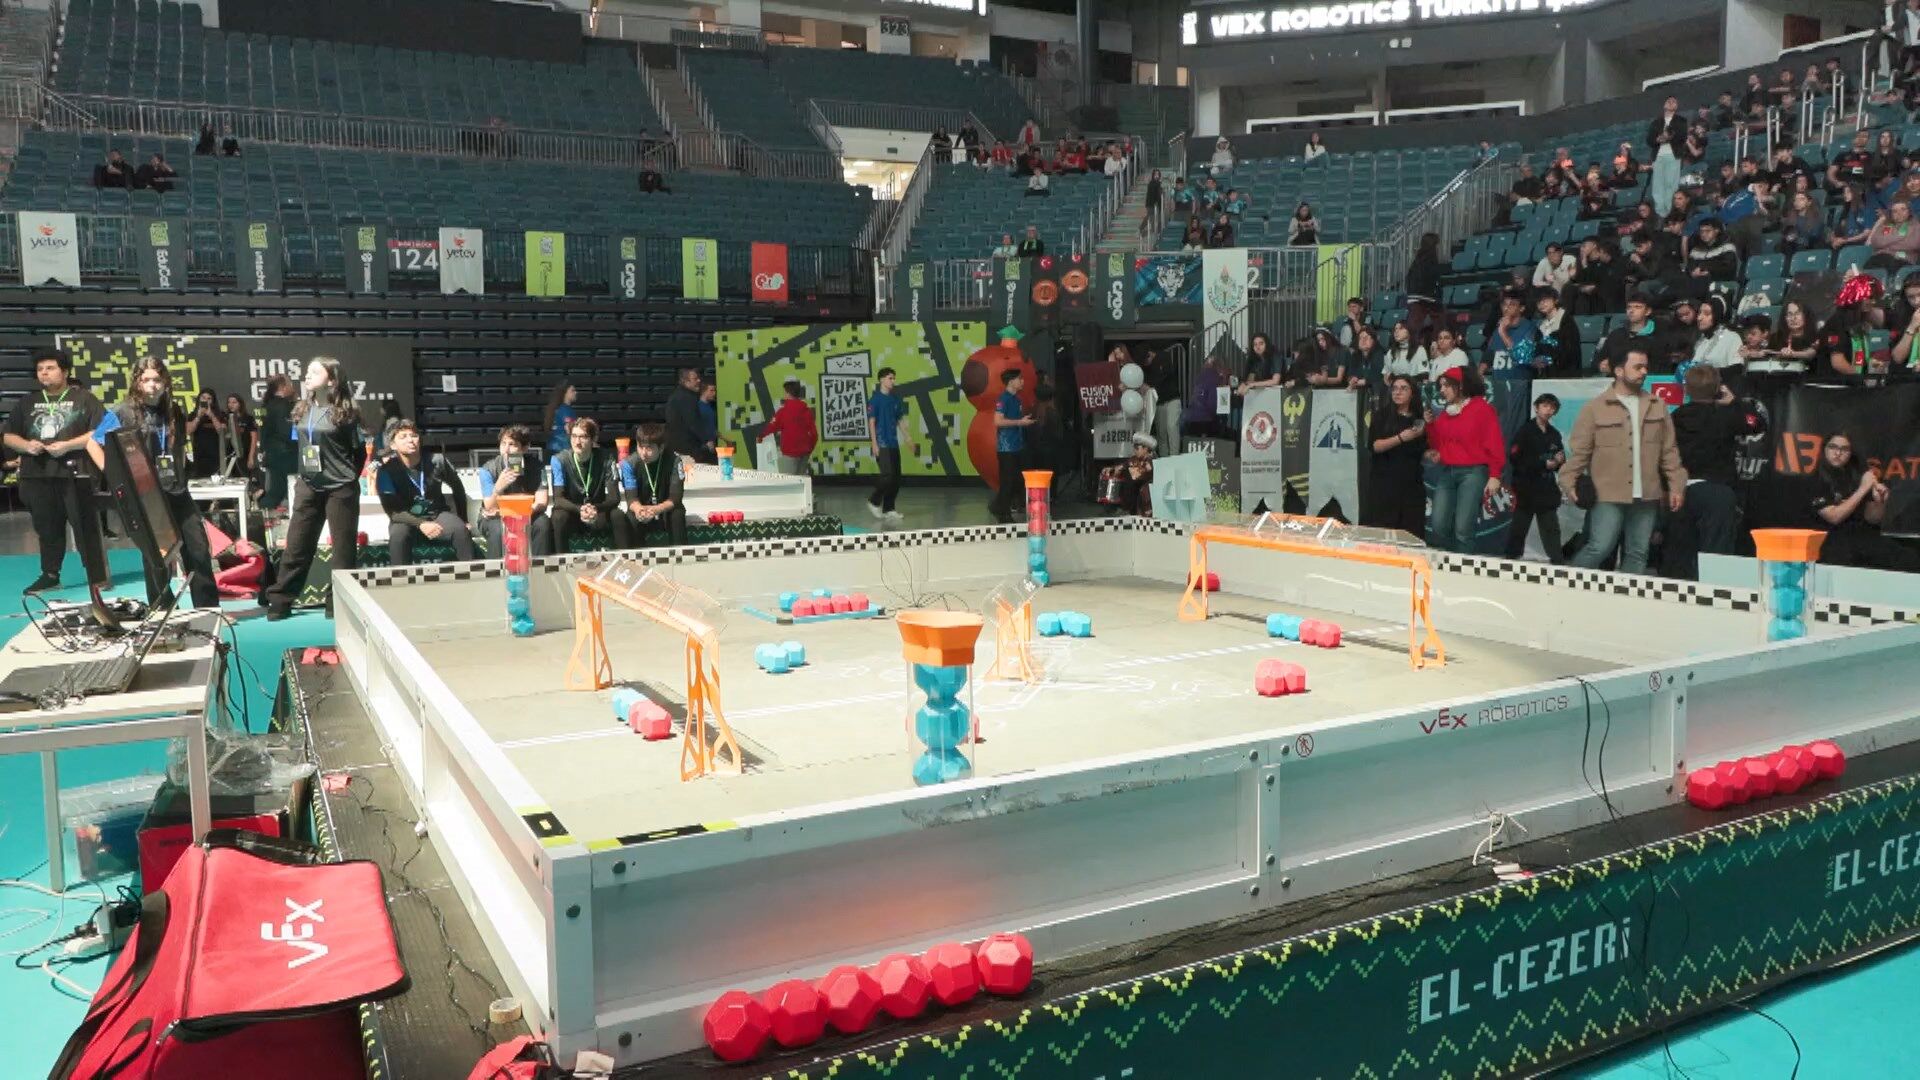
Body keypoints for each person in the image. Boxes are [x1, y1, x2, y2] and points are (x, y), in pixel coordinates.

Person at [94, 357, 220, 608]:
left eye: (157, 380)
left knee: (197, 548)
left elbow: (176, 448)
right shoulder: (122, 411)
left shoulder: (173, 410)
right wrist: (116, 476)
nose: (152, 385)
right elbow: (93, 441)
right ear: (137, 382)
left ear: (165, 382)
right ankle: (162, 609)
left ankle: (208, 608)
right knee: (158, 557)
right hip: (147, 495)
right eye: (146, 380)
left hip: (177, 491)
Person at [1560, 347, 1686, 576]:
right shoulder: (1594, 408)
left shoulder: (1657, 406)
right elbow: (1579, 453)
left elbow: (1669, 451)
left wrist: (1676, 485)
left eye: (1646, 367)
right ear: (1619, 371)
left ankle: (1626, 597)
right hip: (1607, 492)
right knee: (1599, 547)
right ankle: (1567, 585)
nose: (1644, 372)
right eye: (1637, 367)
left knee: (1638, 553)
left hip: (1647, 494)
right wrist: (1569, 483)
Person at [263, 358, 364, 620]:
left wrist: (346, 477)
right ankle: (281, 599)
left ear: (332, 380)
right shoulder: (302, 408)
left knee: (343, 550)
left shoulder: (346, 412)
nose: (307, 376)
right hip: (308, 484)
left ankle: (337, 602)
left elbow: (359, 452)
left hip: (340, 487)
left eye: (315, 372)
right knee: (297, 544)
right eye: (307, 372)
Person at [5, 350, 111, 598]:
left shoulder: (84, 399)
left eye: (50, 368)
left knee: (85, 526)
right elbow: (8, 435)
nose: (44, 373)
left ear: (65, 372)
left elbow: (101, 430)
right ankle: (50, 574)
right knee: (46, 529)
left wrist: (68, 445)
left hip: (76, 475)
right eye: (40, 369)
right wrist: (26, 446)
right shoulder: (27, 402)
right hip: (37, 475)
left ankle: (96, 573)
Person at [1663, 365, 1762, 580]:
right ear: (1718, 388)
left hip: (1680, 491)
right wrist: (1735, 402)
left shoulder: (1674, 418)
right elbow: (1757, 423)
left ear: (1686, 389)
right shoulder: (1726, 415)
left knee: (1680, 554)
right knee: (1716, 559)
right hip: (1717, 493)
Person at [1422, 366, 1505, 554]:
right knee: (1439, 524)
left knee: (1463, 529)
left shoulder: (1482, 409)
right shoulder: (1446, 413)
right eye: (1441, 386)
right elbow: (1437, 444)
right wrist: (1430, 425)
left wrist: (1495, 474)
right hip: (1447, 471)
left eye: (1446, 385)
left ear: (1460, 386)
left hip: (1473, 473)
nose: (1442, 390)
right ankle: (1450, 560)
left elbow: (1494, 443)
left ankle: (1462, 566)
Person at [1808, 433, 1920, 570]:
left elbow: (1872, 518)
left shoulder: (1856, 477)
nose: (1838, 453)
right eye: (1833, 447)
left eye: (1844, 449)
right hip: (1830, 540)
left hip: (1861, 536)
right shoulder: (1815, 480)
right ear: (1824, 449)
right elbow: (1834, 517)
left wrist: (1880, 501)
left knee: (1908, 558)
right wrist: (1863, 488)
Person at [375, 420, 474, 565]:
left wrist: (464, 518)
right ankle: (400, 577)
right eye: (403, 437)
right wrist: (421, 523)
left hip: (436, 514)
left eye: (414, 436)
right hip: (405, 518)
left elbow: (458, 488)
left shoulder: (437, 461)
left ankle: (469, 575)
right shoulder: (386, 471)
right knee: (398, 536)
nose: (410, 440)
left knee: (460, 530)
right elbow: (394, 512)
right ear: (393, 445)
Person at [548, 417, 631, 552]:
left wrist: (595, 509)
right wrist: (580, 509)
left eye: (583, 437)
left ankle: (625, 559)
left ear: (594, 439)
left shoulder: (607, 459)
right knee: (558, 516)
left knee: (617, 515)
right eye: (574, 436)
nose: (577, 442)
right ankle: (560, 562)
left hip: (598, 511)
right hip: (573, 512)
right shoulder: (559, 460)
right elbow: (558, 499)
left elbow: (614, 498)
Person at [1505, 393, 1566, 563]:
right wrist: (1542, 464)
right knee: (1519, 527)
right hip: (1526, 487)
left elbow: (1560, 458)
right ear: (1536, 408)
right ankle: (1511, 560)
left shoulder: (1554, 434)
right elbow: (1515, 457)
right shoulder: (1525, 431)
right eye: (1545, 406)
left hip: (1547, 489)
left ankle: (1558, 562)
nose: (1548, 410)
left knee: (1551, 529)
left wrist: (1558, 462)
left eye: (1552, 407)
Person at [1365, 376, 1426, 540]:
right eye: (1395, 388)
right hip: (1384, 483)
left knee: (1411, 536)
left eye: (1403, 388)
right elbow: (1375, 446)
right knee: (1382, 534)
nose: (1398, 392)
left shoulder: (1418, 419)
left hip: (1411, 486)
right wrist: (1400, 438)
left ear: (1412, 393)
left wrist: (1429, 453)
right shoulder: (1381, 415)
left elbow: (1420, 449)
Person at [476, 424, 551, 558]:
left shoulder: (538, 467)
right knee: (498, 530)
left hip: (527, 513)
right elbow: (489, 506)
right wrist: (498, 487)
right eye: (503, 443)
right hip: (495, 516)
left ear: (525, 448)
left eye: (512, 444)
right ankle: (496, 569)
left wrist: (519, 515)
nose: (506, 450)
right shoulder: (487, 469)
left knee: (542, 524)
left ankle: (541, 568)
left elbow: (542, 502)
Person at [618, 423, 687, 546]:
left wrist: (656, 509)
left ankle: (681, 554)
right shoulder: (629, 464)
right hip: (642, 511)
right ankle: (636, 556)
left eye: (649, 448)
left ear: (661, 448)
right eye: (640, 447)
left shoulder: (675, 461)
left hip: (665, 510)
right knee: (631, 516)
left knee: (677, 513)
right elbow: (631, 499)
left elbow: (676, 498)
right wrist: (639, 510)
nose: (643, 453)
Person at [986, 369, 1036, 524]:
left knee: (1017, 480)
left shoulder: (1017, 399)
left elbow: (1014, 420)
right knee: (1007, 482)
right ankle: (1003, 513)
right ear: (1011, 381)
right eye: (1020, 379)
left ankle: (997, 506)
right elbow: (998, 421)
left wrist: (1023, 420)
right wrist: (1020, 422)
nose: (1022, 381)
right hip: (1006, 448)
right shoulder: (1004, 399)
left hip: (1017, 446)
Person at [867, 367, 914, 522]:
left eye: (894, 378)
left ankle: (889, 509)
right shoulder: (875, 400)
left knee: (896, 478)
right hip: (882, 443)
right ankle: (874, 501)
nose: (893, 381)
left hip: (893, 443)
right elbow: (871, 422)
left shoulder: (894, 399)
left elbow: (900, 420)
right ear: (881, 379)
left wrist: (908, 438)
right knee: (887, 475)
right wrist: (874, 443)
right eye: (890, 378)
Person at [761, 379, 817, 476]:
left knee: (788, 481)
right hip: (804, 454)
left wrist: (761, 436)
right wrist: (809, 449)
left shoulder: (783, 412)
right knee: (801, 481)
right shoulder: (807, 411)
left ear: (787, 393)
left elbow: (771, 427)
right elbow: (814, 434)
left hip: (790, 454)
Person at [258, 373, 297, 510]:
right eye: (290, 384)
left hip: (273, 454)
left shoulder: (266, 405)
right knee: (277, 492)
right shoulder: (283, 406)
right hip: (284, 455)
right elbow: (286, 431)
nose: (292, 387)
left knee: (277, 490)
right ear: (283, 387)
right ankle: (262, 512)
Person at [1097, 433, 1156, 516]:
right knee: (1124, 472)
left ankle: (1127, 509)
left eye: (1137, 448)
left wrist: (1122, 470)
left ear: (1145, 449)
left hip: (1148, 493)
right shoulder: (1136, 458)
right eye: (1134, 448)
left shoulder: (1152, 461)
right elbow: (1124, 465)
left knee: (1129, 477)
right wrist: (1112, 469)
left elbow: (1137, 474)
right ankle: (1118, 507)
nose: (1134, 450)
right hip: (1138, 492)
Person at [663, 368, 713, 464]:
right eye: (695, 379)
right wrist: (706, 440)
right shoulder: (687, 398)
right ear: (685, 381)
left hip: (676, 445)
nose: (699, 380)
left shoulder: (677, 395)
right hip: (687, 447)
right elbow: (693, 422)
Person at [1532, 288, 1582, 376]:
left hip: (1567, 373)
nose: (1541, 304)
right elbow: (1537, 349)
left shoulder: (1567, 321)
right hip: (1548, 373)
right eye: (1538, 301)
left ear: (1555, 300)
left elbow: (1570, 351)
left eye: (1545, 300)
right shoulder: (1541, 326)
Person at [1404, 232, 1443, 341]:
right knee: (1440, 321)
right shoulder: (1430, 262)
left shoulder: (1416, 261)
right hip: (1425, 300)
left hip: (1415, 299)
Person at [184, 388, 226, 478]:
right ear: (199, 399)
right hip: (199, 455)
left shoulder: (220, 414)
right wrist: (198, 417)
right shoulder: (193, 415)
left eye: (209, 398)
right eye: (203, 398)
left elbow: (221, 431)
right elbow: (188, 431)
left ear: (213, 401)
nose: (206, 400)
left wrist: (212, 416)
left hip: (217, 455)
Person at [222, 392, 257, 480]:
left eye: (234, 402)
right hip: (229, 454)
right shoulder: (225, 418)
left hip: (244, 454)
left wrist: (251, 457)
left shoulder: (248, 418)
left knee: (245, 478)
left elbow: (254, 438)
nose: (231, 405)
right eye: (229, 402)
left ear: (240, 404)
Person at [543, 380, 577, 456]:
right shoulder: (565, 410)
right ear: (565, 393)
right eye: (572, 391)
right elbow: (568, 428)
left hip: (552, 446)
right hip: (562, 449)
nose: (575, 393)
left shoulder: (556, 408)